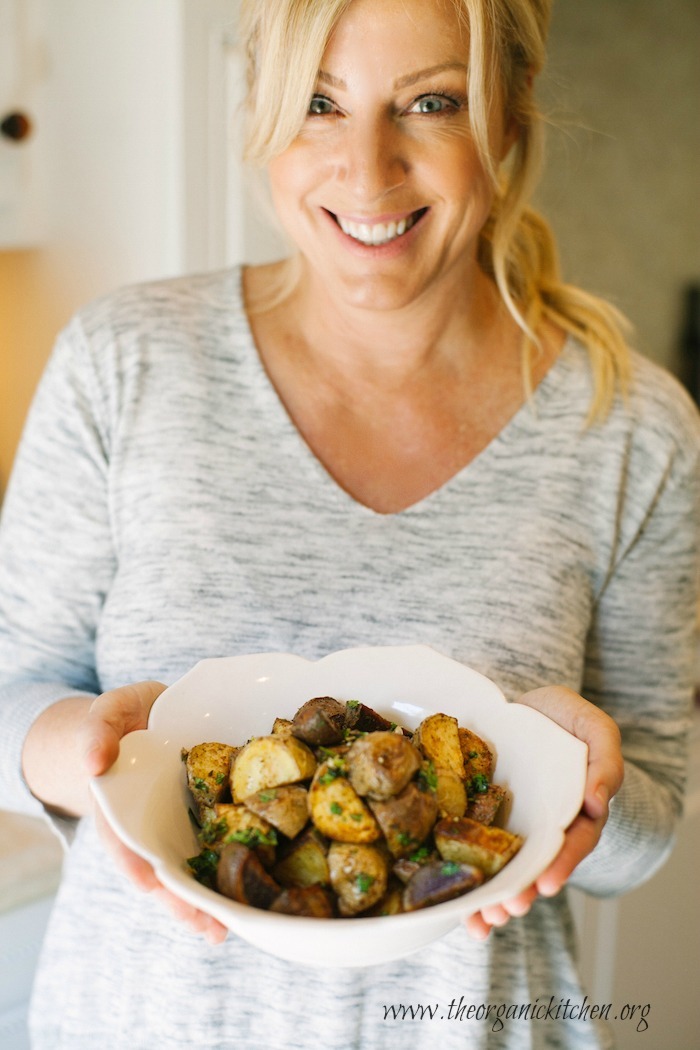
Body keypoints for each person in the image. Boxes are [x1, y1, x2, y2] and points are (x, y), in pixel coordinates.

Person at [0, 0, 697, 1046]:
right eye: (319, 104)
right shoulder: (123, 361)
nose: (367, 171)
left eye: (430, 102)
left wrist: (593, 792)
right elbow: (10, 697)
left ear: (505, 121)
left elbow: (648, 829)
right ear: (260, 114)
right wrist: (80, 745)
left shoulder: (634, 426)